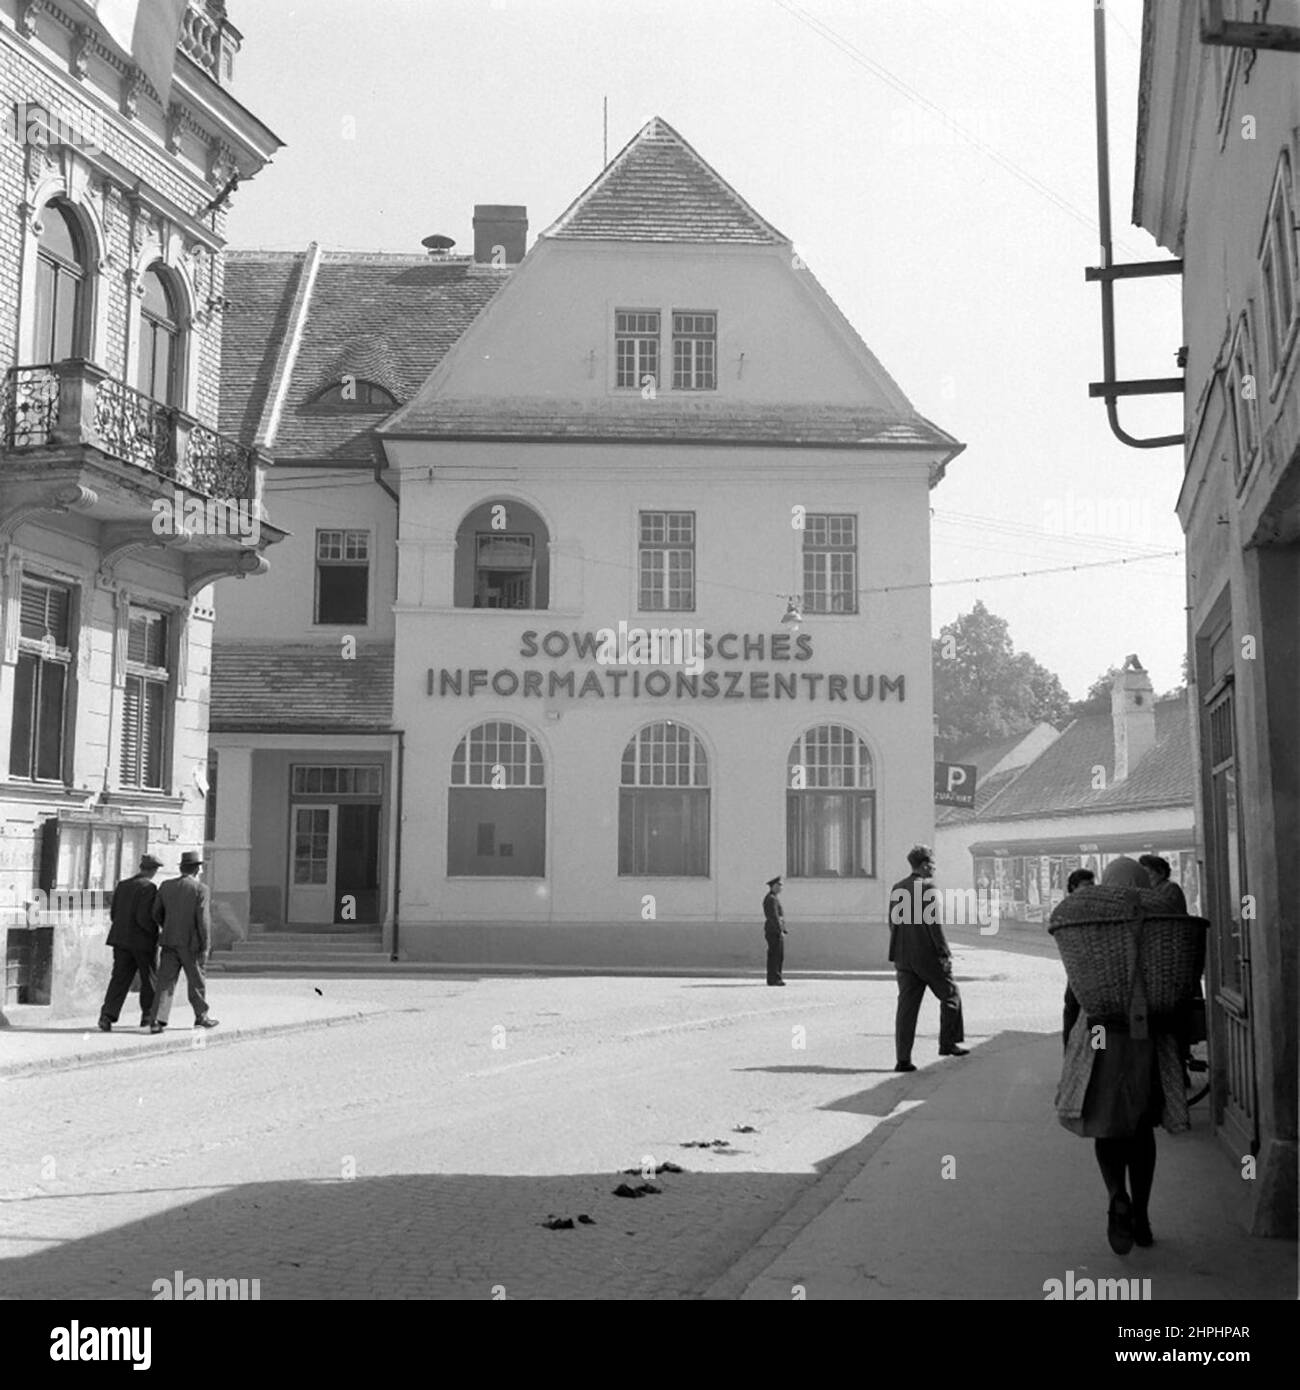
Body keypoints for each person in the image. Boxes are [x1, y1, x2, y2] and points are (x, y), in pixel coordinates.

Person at [1053, 855, 1192, 1254]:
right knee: (1142, 1131)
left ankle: (1117, 1195)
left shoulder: (1089, 928)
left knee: (1106, 1126)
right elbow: (1179, 984)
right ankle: (1144, 1217)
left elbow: (1076, 994)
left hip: (1100, 1038)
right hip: (1145, 1038)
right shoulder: (1161, 926)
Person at [889, 844, 967, 1071]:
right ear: (924, 865)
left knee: (906, 1008)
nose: (934, 868)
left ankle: (903, 1059)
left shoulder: (898, 888)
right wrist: (944, 952)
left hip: (903, 957)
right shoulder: (927, 888)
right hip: (928, 956)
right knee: (951, 995)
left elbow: (892, 923)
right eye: (932, 864)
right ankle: (948, 1043)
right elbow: (934, 925)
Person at [149, 850, 219, 1034]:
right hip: (192, 943)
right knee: (196, 980)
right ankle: (201, 1016)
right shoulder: (200, 889)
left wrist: (168, 925)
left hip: (170, 940)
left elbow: (155, 912)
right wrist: (206, 943)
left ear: (182, 867)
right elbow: (203, 919)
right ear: (197, 869)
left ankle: (157, 1020)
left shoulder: (166, 886)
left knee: (165, 981)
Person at [97, 854, 163, 1032]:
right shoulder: (149, 888)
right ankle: (148, 1017)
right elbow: (144, 918)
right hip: (142, 942)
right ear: (152, 870)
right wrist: (154, 934)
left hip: (120, 940)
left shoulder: (123, 885)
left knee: (119, 978)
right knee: (148, 980)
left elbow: (114, 914)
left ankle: (107, 1016)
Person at [1061, 868, 1095, 1044]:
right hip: (1078, 970)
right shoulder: (1067, 909)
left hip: (1096, 971)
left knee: (1098, 1014)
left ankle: (1099, 1050)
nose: (1090, 888)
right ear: (1073, 887)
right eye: (1086, 885)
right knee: (1073, 1011)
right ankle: (1069, 1050)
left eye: (1092, 884)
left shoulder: (1097, 907)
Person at [762, 875, 786, 986]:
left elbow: (779, 916)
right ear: (774, 886)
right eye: (779, 885)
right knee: (775, 955)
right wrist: (779, 930)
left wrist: (783, 929)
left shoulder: (773, 898)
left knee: (777, 955)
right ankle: (774, 978)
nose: (781, 887)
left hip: (775, 930)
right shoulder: (771, 899)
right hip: (773, 931)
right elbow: (774, 916)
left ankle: (775, 977)